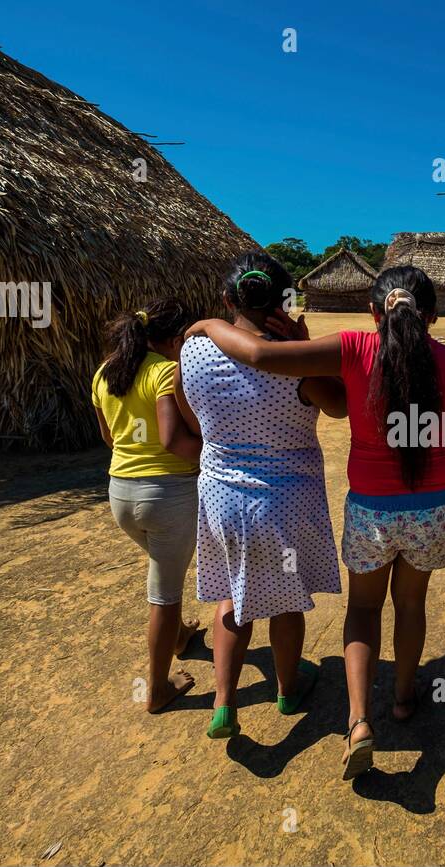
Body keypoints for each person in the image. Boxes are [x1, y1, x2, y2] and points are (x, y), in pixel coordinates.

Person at [186, 265, 445, 778]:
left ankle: (360, 722)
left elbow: (257, 354)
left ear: (372, 312)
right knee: (411, 605)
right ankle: (406, 699)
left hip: (372, 510)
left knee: (364, 611)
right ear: (431, 315)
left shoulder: (353, 349)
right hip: (433, 506)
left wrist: (210, 325)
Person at [178, 252, 346, 740]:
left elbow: (194, 415)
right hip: (285, 501)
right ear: (284, 302)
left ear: (229, 299)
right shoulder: (296, 360)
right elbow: (339, 407)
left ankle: (225, 704)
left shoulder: (193, 349)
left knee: (233, 596)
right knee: (287, 601)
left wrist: (209, 323)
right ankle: (289, 689)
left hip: (220, 495)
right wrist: (307, 345)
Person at [92, 297, 205, 714]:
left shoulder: (106, 371)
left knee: (164, 573)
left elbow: (109, 437)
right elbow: (173, 440)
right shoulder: (165, 373)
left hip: (121, 493)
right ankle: (157, 688)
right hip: (166, 495)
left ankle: (178, 635)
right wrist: (216, 455)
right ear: (176, 340)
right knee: (164, 594)